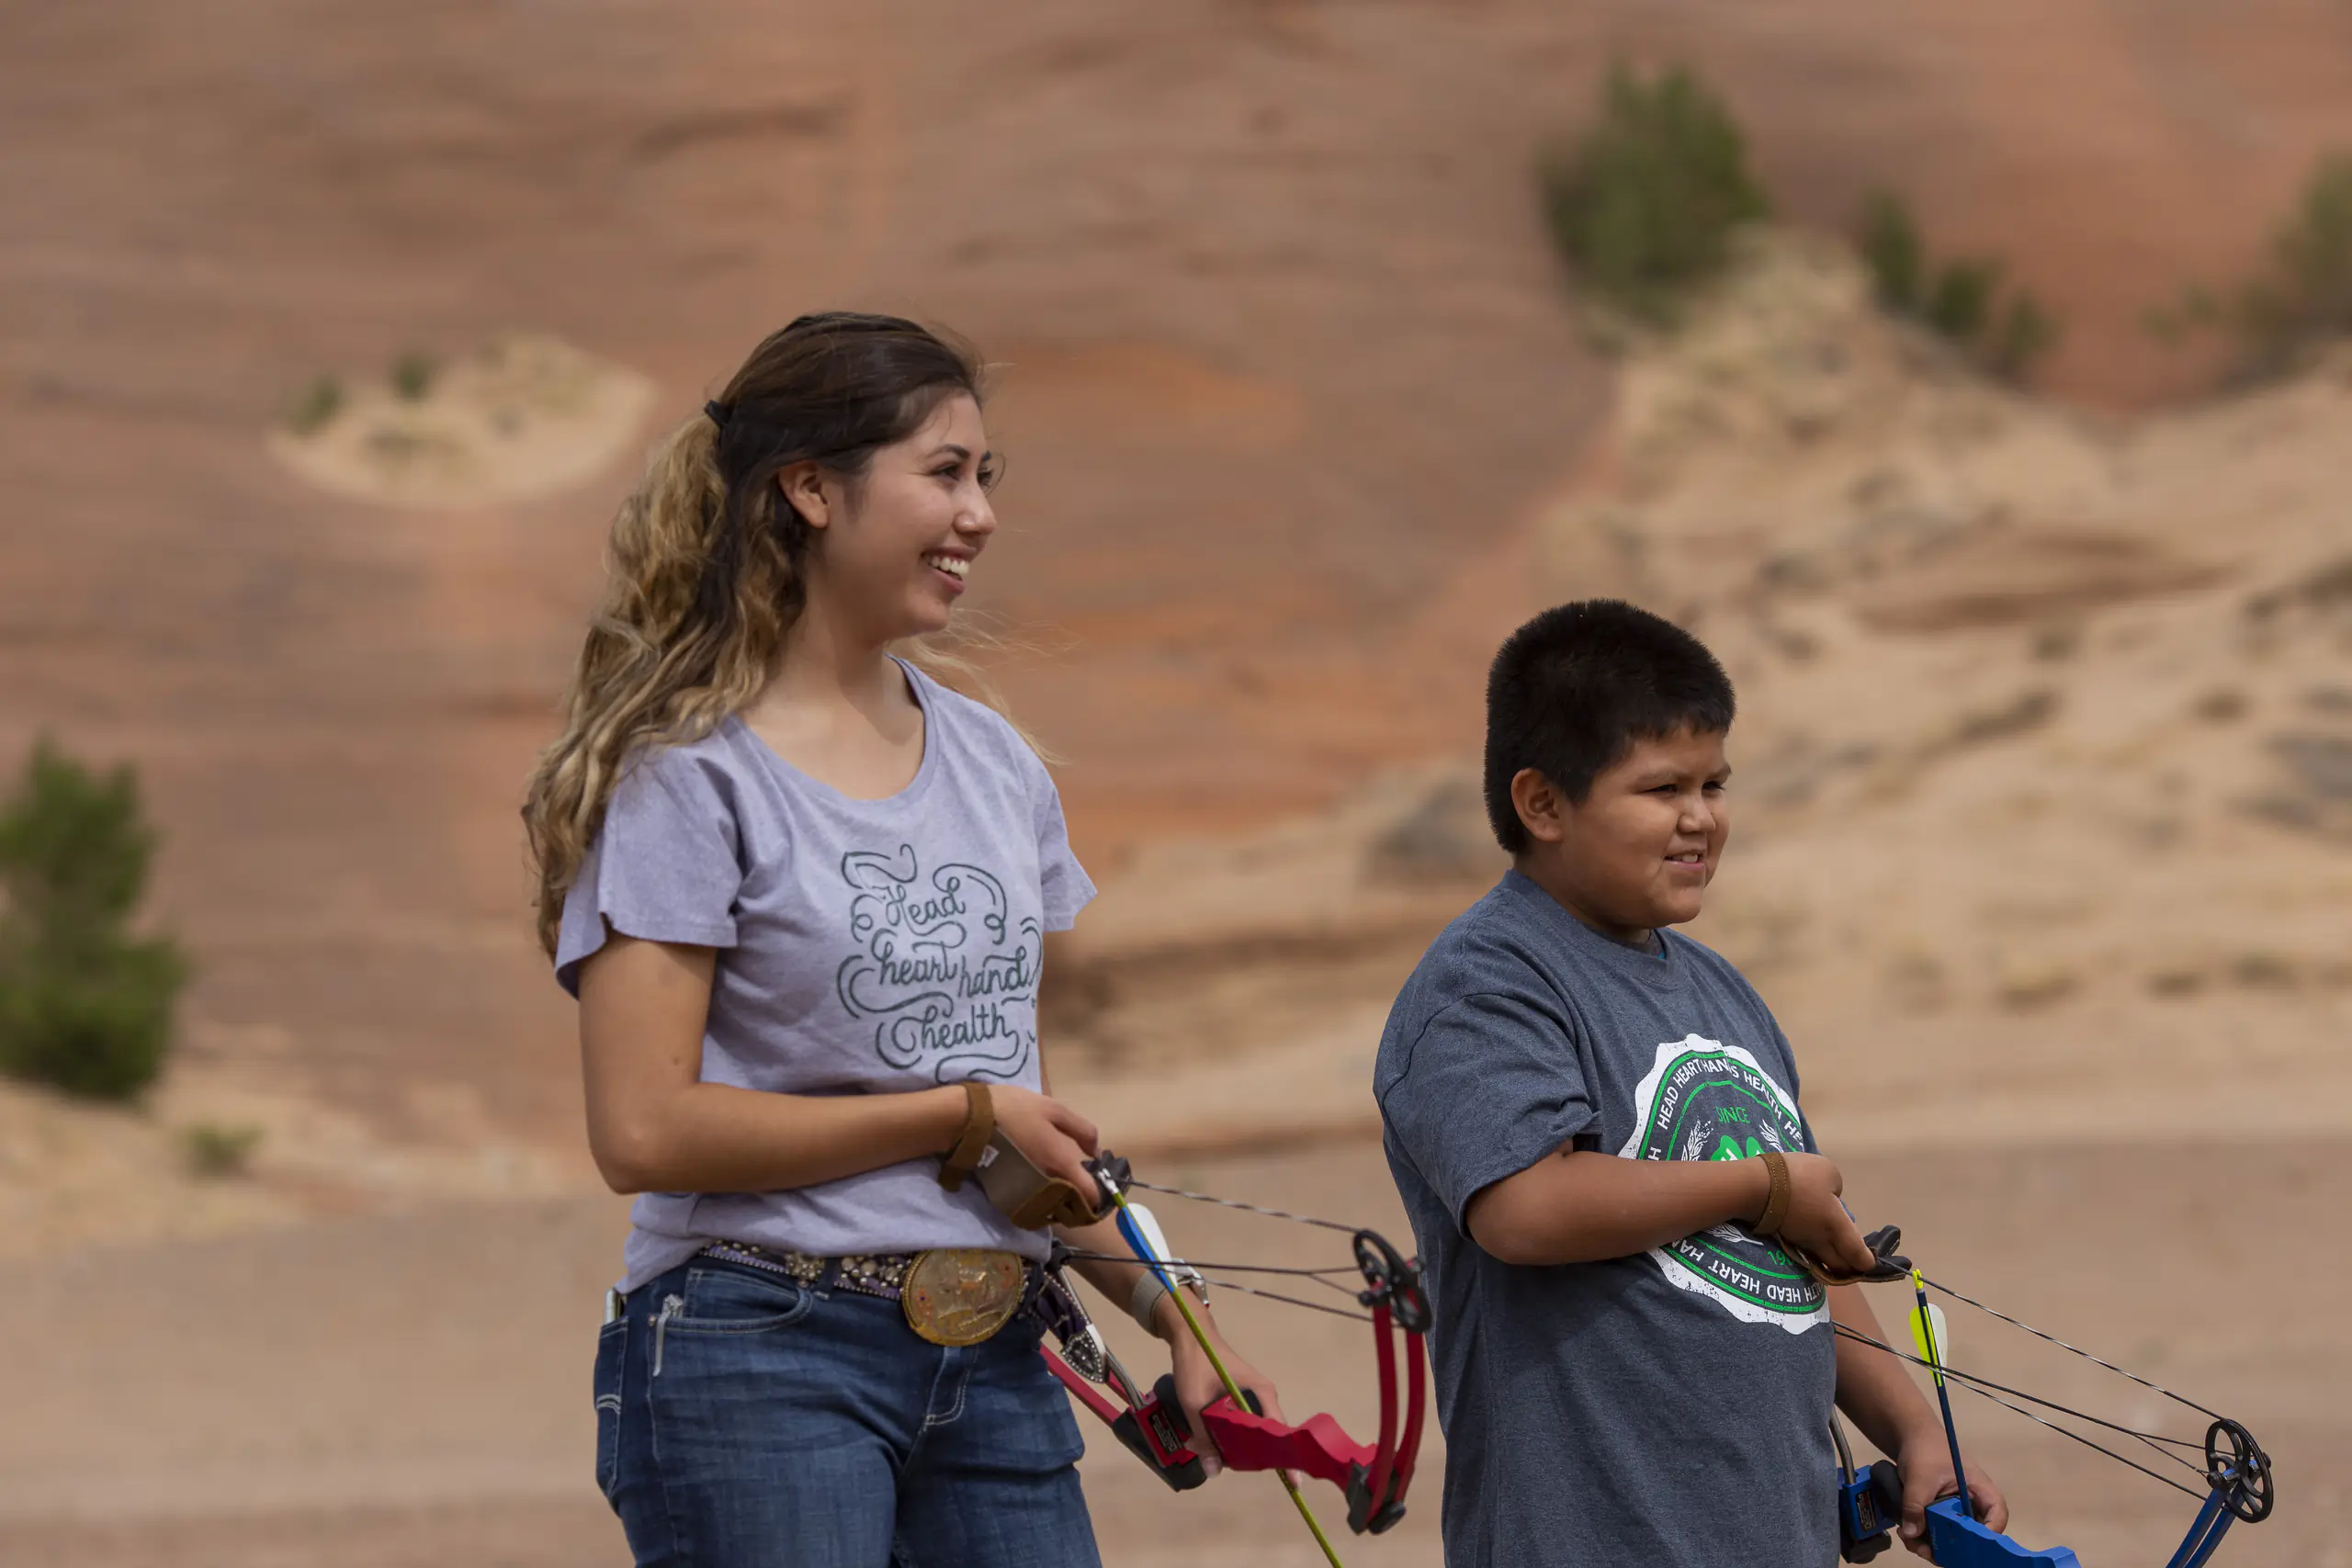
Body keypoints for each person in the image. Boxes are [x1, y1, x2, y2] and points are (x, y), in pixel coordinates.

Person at [521, 312, 1285, 1568]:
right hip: (755, 1350)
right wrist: (956, 1112)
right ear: (810, 488)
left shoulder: (999, 766)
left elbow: (1017, 1126)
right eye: (943, 471)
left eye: (987, 476)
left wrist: (1176, 1311)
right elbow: (643, 1130)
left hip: (993, 1354)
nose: (978, 511)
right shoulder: (688, 778)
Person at [1373, 600, 2009, 1567]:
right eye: (1661, 787)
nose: (1700, 818)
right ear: (1542, 804)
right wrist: (1762, 1185)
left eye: (1715, 783)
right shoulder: (1486, 982)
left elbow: (1790, 1267)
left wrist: (1913, 1434)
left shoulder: (1722, 992)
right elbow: (1526, 1208)